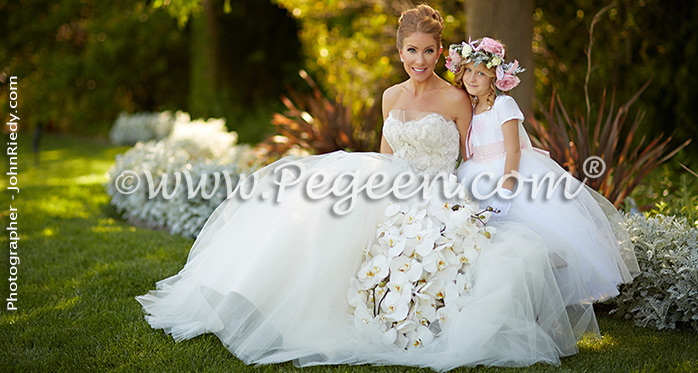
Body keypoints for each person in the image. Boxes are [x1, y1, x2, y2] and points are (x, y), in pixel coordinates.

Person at [137, 6, 582, 369]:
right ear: (399, 50)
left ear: (440, 51)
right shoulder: (391, 96)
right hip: (388, 184)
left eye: (429, 51)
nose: (420, 61)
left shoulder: (456, 98)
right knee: (317, 215)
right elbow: (385, 155)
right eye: (412, 51)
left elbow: (472, 154)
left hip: (436, 193)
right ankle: (260, 295)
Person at [448, 37, 640, 338]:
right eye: (468, 70)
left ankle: (549, 314)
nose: (472, 78)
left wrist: (507, 187)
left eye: (481, 73)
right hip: (476, 175)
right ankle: (504, 308)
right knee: (494, 246)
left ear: (494, 77)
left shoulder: (503, 104)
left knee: (533, 242)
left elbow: (513, 150)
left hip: (508, 174)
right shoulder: (468, 108)